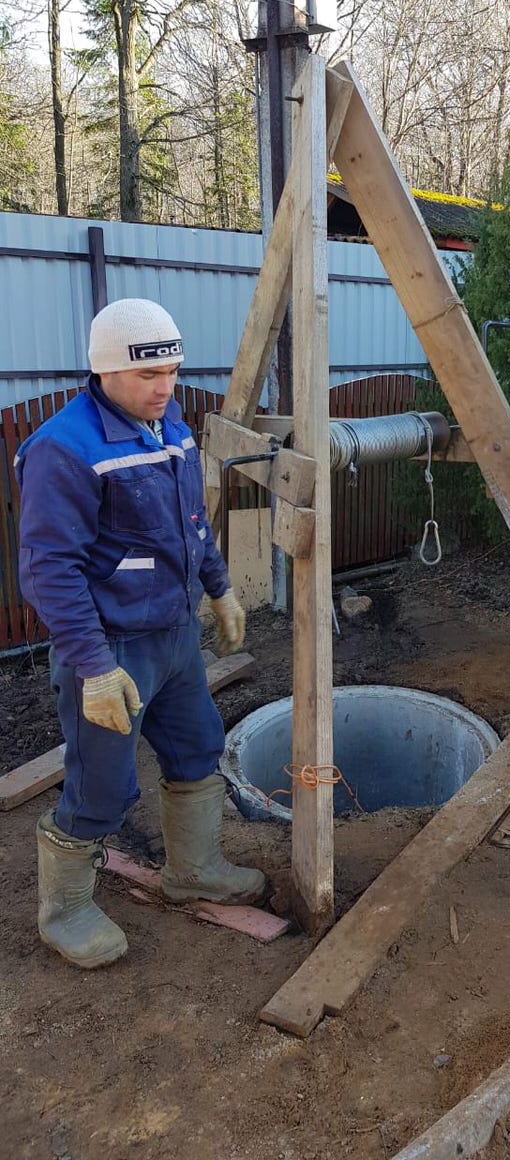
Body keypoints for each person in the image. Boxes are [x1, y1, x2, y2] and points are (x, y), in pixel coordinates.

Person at [16, 297, 265, 970]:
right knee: (100, 785)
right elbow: (49, 570)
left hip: (174, 634)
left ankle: (194, 869)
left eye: (173, 372)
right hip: (112, 649)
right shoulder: (63, 450)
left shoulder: (172, 426)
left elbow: (189, 523)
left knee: (197, 746)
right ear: (105, 372)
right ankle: (65, 910)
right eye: (148, 376)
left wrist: (219, 587)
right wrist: (94, 666)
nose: (165, 389)